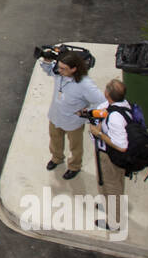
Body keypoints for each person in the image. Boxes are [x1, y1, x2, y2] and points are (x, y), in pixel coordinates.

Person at [40, 49, 105, 180]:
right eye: (59, 67)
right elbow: (49, 70)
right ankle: (57, 158)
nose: (59, 70)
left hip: (73, 122)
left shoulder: (85, 85)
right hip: (56, 116)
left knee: (75, 146)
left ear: (74, 69)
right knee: (55, 139)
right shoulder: (60, 74)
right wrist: (47, 61)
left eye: (63, 68)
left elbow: (101, 102)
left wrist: (85, 113)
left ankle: (74, 166)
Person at [88, 78, 133, 231]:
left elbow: (121, 146)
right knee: (114, 182)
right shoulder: (123, 105)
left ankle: (114, 222)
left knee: (112, 185)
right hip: (107, 153)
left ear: (107, 93)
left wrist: (98, 134)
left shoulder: (115, 118)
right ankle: (107, 203)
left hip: (110, 155)